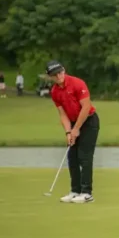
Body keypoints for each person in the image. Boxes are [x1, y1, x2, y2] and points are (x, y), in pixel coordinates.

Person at [47, 60, 100, 204]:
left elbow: (86, 107)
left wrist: (76, 129)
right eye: (55, 75)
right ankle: (75, 191)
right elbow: (62, 114)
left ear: (64, 70)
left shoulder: (77, 83)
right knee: (72, 157)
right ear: (51, 77)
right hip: (72, 123)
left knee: (84, 156)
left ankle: (87, 193)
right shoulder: (55, 92)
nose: (58, 76)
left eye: (60, 72)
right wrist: (68, 132)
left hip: (89, 121)